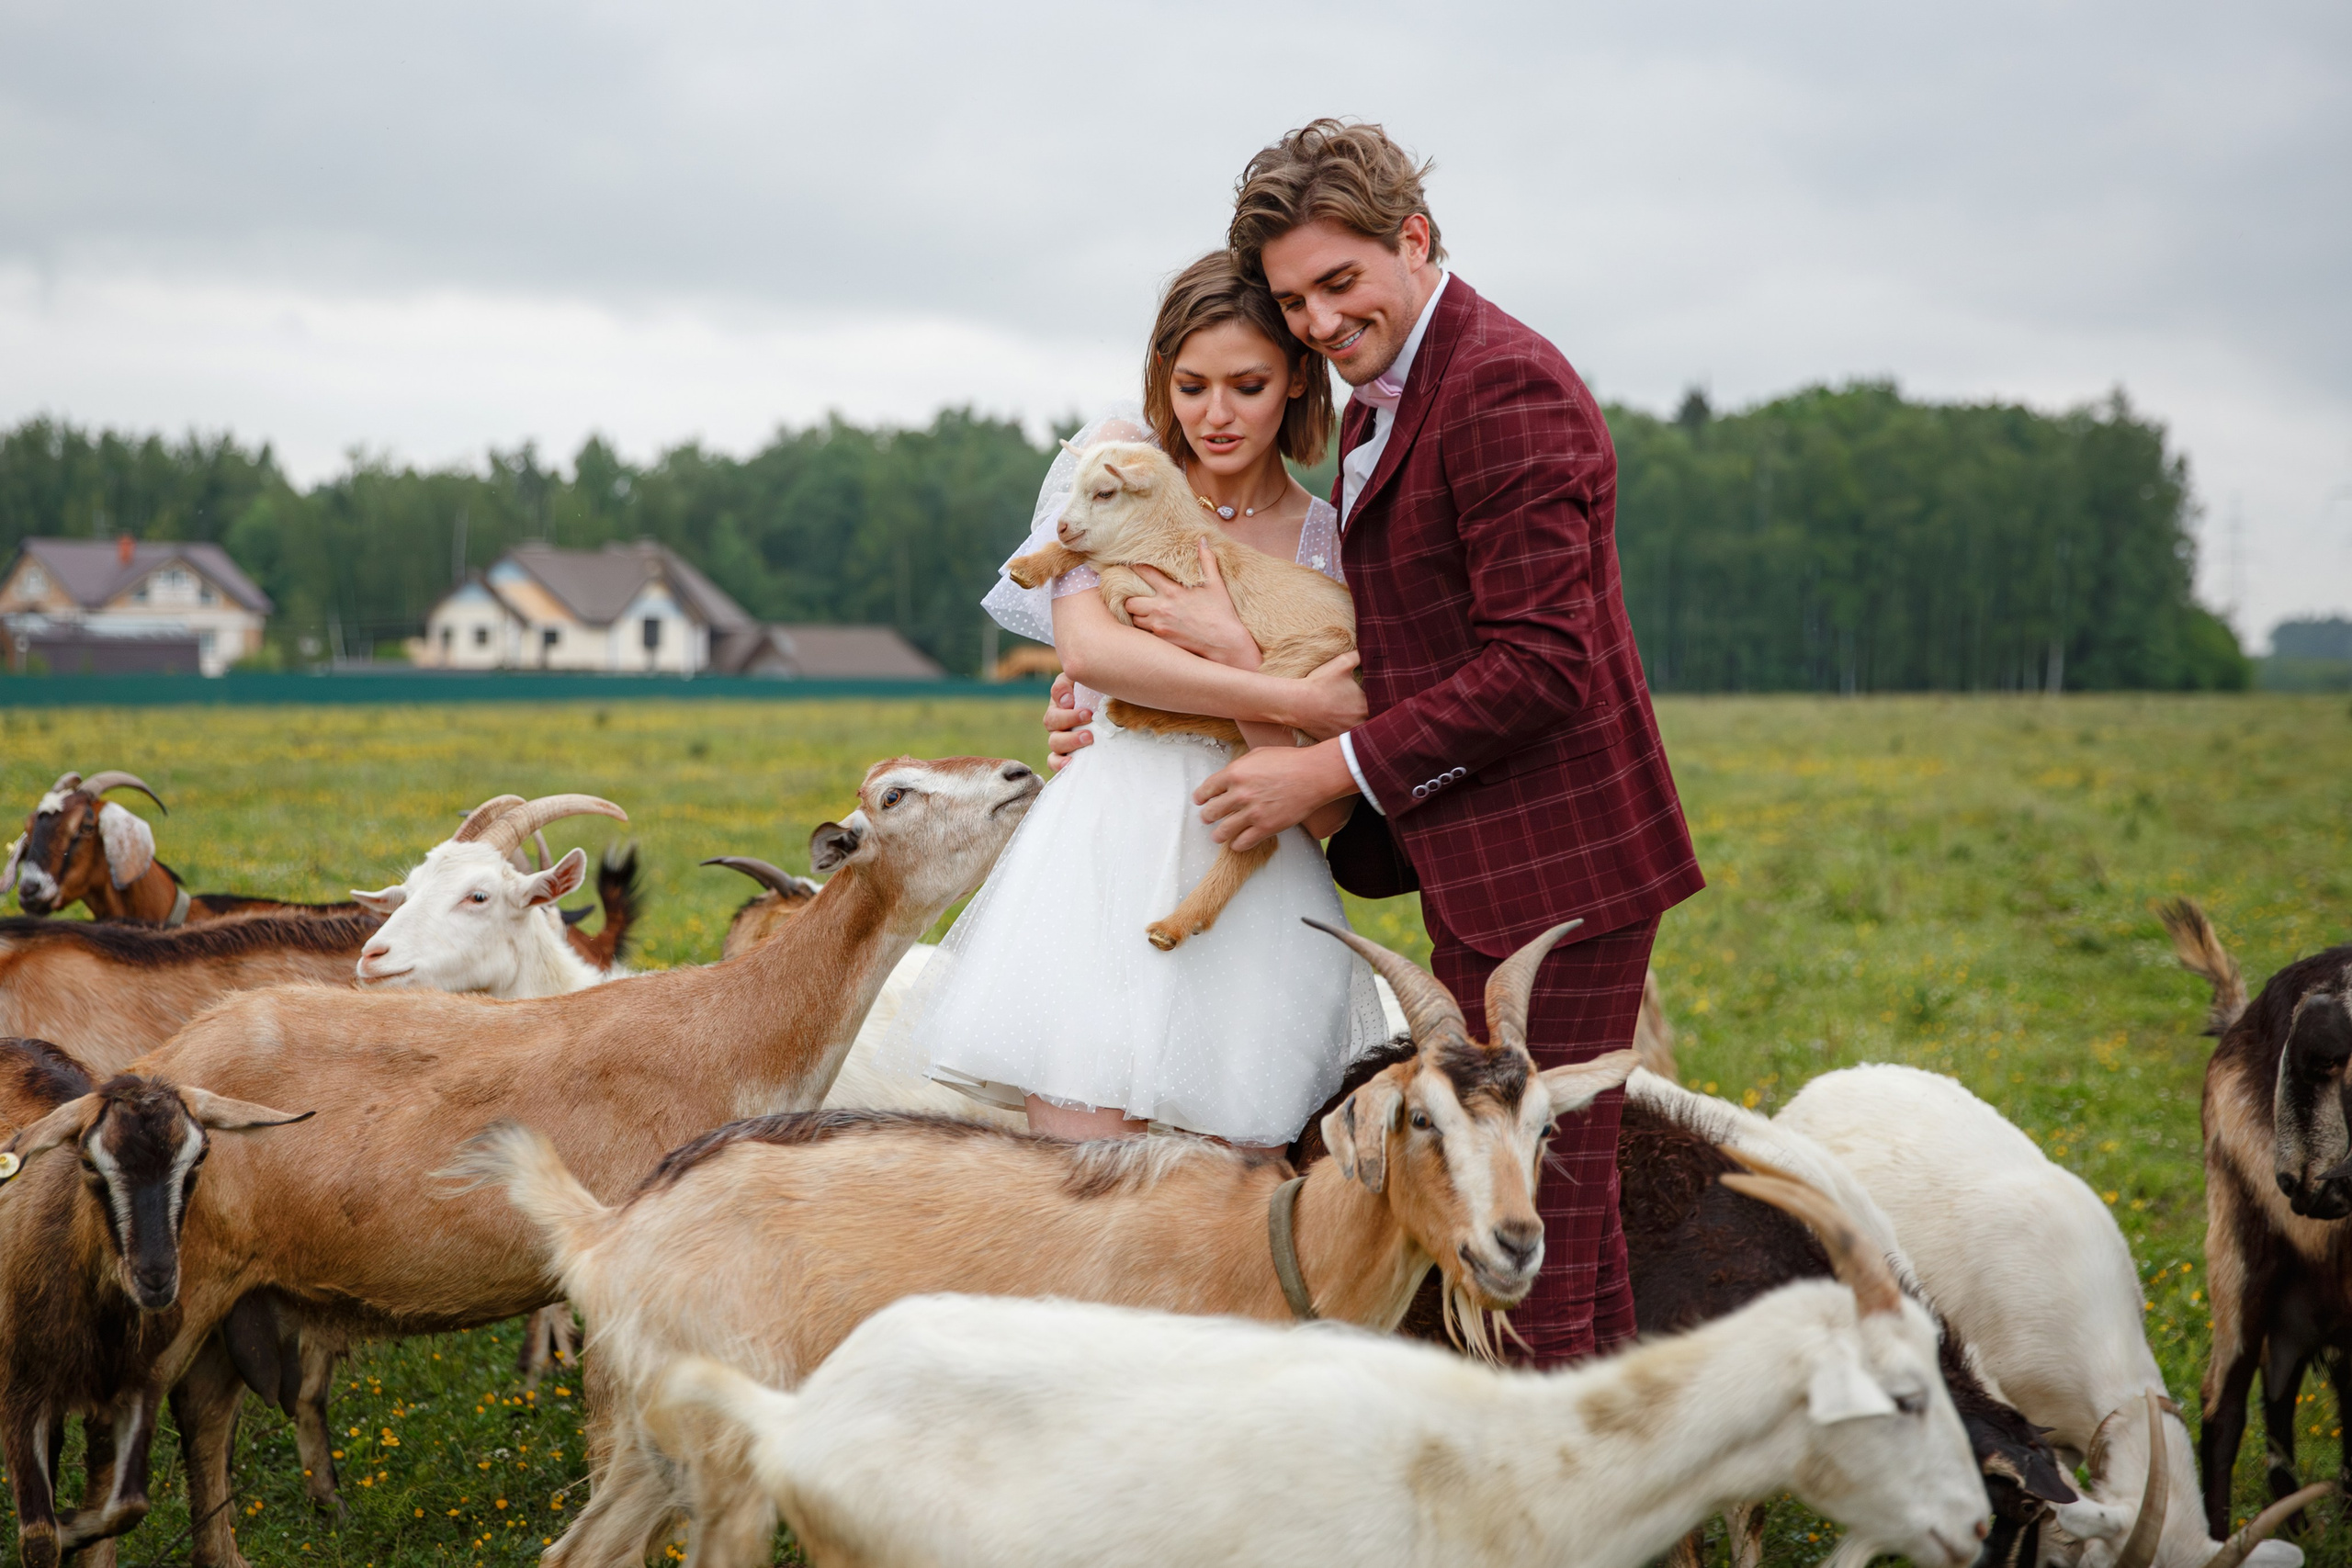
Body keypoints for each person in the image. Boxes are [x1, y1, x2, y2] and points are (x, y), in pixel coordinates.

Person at [1046, 121, 1704, 1366]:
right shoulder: (1380, 397)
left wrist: (1331, 769)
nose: (1317, 321)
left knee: (1518, 1223)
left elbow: (1542, 663)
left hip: (1554, 863)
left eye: (1339, 284)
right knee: (1569, 1217)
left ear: (1415, 241)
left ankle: (1537, 1506)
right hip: (1481, 856)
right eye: (1294, 299)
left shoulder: (1503, 383)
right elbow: (1376, 631)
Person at [893, 250, 1385, 1149]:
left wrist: (1235, 658)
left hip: (1248, 871)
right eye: (1191, 384)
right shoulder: (1118, 467)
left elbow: (1314, 798)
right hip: (1099, 852)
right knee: (1081, 1182)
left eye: (1248, 384)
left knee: (1218, 1207)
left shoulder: (1332, 540)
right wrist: (1280, 688)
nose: (1216, 414)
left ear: (1296, 382)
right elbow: (1089, 649)